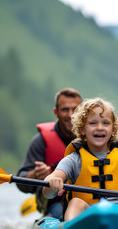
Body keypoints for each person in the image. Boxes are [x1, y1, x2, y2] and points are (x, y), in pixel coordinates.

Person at [42, 98, 118, 221]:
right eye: (93, 123)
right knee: (75, 202)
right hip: (86, 217)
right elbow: (47, 192)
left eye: (106, 123)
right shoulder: (73, 160)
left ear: (113, 130)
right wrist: (52, 183)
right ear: (82, 129)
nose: (100, 127)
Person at [16, 88, 82, 218]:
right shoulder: (40, 141)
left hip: (88, 198)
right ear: (56, 112)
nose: (70, 114)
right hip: (54, 201)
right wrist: (35, 174)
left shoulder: (95, 137)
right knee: (58, 213)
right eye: (64, 110)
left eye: (75, 109)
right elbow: (21, 183)